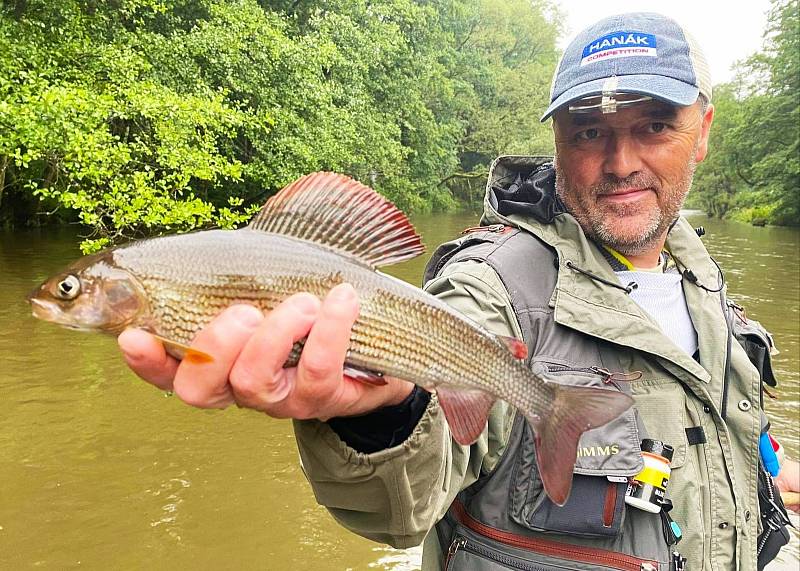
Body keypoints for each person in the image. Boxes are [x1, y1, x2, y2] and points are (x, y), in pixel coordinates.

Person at [118, 12, 799, 571]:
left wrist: (755, 470)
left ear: (703, 131)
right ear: (558, 141)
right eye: (589, 131)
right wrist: (378, 414)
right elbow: (402, 506)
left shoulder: (702, 276)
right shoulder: (489, 283)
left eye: (653, 126)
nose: (620, 161)